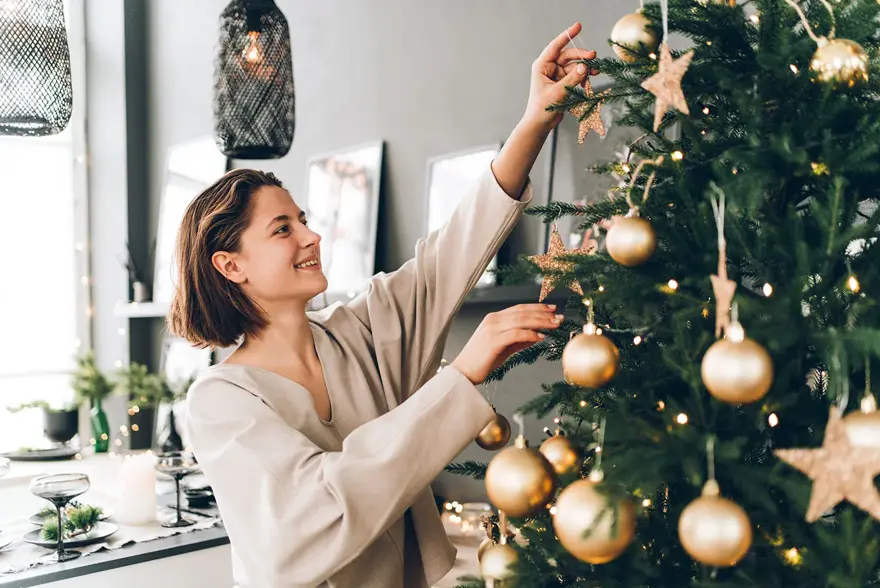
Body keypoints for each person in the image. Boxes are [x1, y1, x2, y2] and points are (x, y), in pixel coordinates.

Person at [169, 23, 598, 588]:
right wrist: (463, 375)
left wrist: (536, 119)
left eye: (304, 220)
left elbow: (448, 256)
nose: (310, 237)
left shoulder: (358, 332)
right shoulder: (219, 403)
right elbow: (317, 513)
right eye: (282, 229)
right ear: (231, 266)